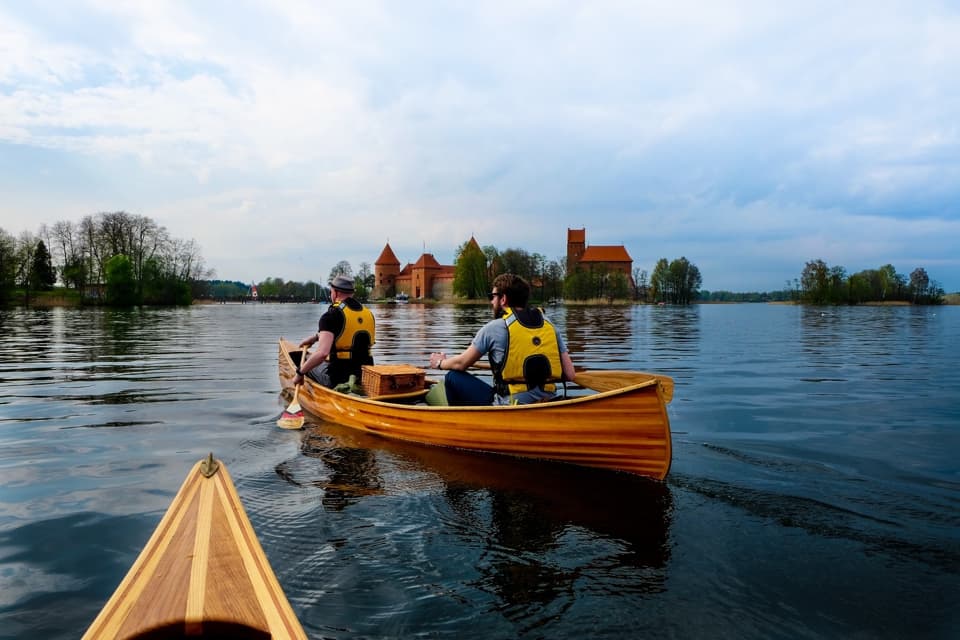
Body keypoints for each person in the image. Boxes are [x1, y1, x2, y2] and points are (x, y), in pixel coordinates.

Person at [428, 273, 576, 405]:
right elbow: (570, 374)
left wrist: (440, 363)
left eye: (492, 297)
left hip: (511, 404)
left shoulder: (494, 328)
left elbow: (461, 363)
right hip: (549, 400)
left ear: (503, 299)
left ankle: (461, 425)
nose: (491, 302)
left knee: (453, 377)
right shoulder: (550, 326)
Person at [295, 275, 375, 388]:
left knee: (306, 360)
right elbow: (348, 331)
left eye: (331, 291)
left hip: (339, 378)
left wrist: (300, 373)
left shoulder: (330, 316)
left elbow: (322, 354)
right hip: (367, 375)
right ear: (352, 293)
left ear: (335, 292)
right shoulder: (368, 314)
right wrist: (316, 337)